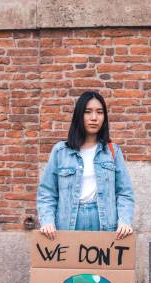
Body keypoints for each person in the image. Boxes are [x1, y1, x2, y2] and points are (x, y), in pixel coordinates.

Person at [37, 91, 135, 240]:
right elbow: (47, 193)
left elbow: (124, 192)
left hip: (104, 223)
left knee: (103, 264)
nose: (94, 118)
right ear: (79, 116)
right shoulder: (61, 151)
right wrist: (47, 221)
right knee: (69, 264)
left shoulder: (112, 151)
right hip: (68, 223)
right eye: (88, 112)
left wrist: (124, 221)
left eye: (99, 112)